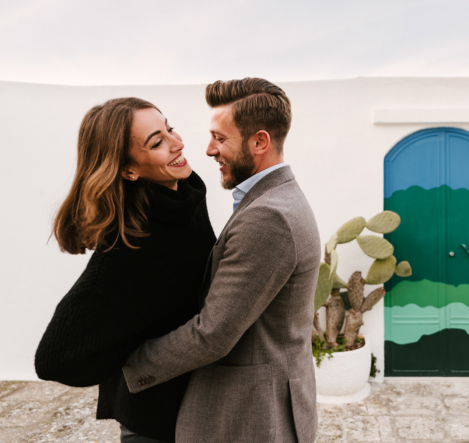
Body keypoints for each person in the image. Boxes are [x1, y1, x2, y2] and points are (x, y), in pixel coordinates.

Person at [121, 78, 321, 443]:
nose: (210, 150)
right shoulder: (274, 198)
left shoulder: (268, 217)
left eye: (220, 138)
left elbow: (212, 334)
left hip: (251, 417)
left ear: (259, 141)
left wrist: (129, 364)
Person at [34, 97, 216, 443]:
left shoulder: (185, 195)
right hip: (153, 425)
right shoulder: (129, 248)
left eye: (169, 128)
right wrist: (133, 359)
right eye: (157, 142)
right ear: (129, 169)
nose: (177, 143)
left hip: (199, 408)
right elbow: (53, 359)